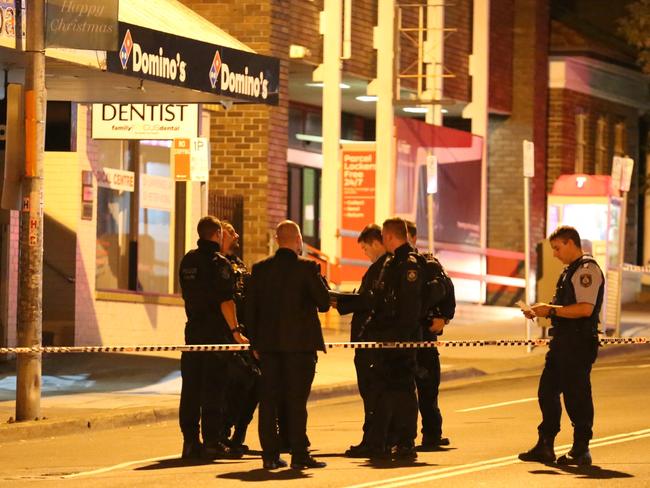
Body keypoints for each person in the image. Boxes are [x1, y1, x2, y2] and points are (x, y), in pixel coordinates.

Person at [246, 220, 330, 470]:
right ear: (298, 240)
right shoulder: (306, 269)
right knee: (296, 402)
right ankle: (299, 454)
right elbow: (324, 303)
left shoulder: (260, 269)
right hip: (300, 348)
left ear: (276, 240)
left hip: (269, 348)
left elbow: (250, 309)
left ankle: (270, 455)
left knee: (269, 401)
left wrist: (255, 342)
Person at [519, 225, 604, 467]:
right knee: (547, 391)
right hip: (563, 343)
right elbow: (565, 308)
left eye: (557, 248)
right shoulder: (570, 271)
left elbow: (585, 308)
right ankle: (545, 444)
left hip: (578, 344)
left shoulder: (587, 269)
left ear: (570, 243)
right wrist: (542, 310)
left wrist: (550, 309)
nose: (555, 254)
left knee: (576, 396)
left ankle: (581, 449)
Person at [178, 216, 248, 460]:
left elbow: (187, 295)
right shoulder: (219, 264)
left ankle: (189, 442)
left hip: (193, 333)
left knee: (191, 390)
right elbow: (226, 301)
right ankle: (211, 442)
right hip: (215, 335)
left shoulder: (188, 260)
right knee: (214, 389)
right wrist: (236, 332)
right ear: (217, 234)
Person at [363, 218, 423, 461]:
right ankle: (390, 439)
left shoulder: (409, 264)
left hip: (402, 340)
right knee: (387, 390)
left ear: (389, 237)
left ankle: (406, 441)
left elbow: (409, 308)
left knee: (404, 391)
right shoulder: (392, 262)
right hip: (388, 339)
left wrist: (400, 338)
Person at [331, 224, 389, 457]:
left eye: (365, 249)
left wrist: (340, 302)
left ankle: (373, 440)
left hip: (370, 341)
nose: (365, 254)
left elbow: (369, 301)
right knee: (375, 392)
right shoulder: (384, 267)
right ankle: (379, 438)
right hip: (370, 341)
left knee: (372, 392)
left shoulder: (382, 268)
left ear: (375, 243)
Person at [405, 220, 451, 450]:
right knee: (404, 391)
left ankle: (432, 434)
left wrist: (444, 318)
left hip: (424, 337)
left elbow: (447, 293)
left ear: (413, 238)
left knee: (428, 390)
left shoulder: (429, 265)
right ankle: (404, 438)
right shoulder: (394, 265)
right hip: (403, 339)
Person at [220, 221, 260, 453]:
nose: (237, 236)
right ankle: (222, 433)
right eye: (231, 232)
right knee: (233, 383)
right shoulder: (217, 265)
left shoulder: (238, 265)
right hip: (226, 335)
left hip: (245, 334)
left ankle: (239, 433)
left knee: (254, 382)